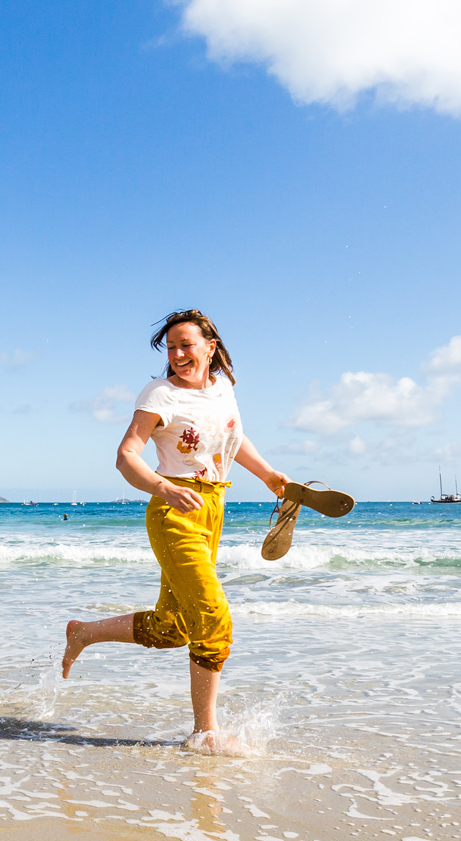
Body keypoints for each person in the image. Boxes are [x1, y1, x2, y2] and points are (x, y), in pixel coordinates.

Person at [60, 310, 290, 754]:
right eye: (171, 347)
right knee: (212, 619)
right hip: (174, 512)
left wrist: (266, 474)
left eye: (187, 345)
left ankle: (84, 632)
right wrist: (163, 487)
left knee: (174, 627)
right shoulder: (159, 394)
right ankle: (205, 732)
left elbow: (232, 438)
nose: (179, 355)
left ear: (211, 346)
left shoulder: (224, 389)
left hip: (214, 509)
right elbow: (126, 456)